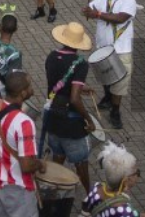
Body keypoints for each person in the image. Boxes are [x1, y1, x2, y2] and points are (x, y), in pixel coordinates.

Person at [42, 22, 94, 191]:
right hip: (70, 123)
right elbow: (74, 99)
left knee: (57, 158)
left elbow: (58, 82)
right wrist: (88, 118)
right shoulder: (80, 64)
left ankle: (51, 192)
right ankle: (90, 200)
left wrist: (80, 88)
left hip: (52, 117)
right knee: (81, 163)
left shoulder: (51, 56)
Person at [0, 71, 40, 217]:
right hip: (18, 189)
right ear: (22, 93)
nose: (32, 89)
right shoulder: (24, 122)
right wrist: (40, 165)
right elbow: (26, 165)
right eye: (29, 86)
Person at [84, 0, 135, 130]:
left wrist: (98, 14)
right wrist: (88, 10)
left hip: (121, 49)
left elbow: (120, 18)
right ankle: (107, 97)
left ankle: (115, 111)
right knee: (106, 75)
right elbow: (90, 8)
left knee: (120, 81)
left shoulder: (129, 1)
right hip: (103, 46)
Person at [81, 142, 145, 217]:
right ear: (125, 181)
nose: (138, 175)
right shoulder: (123, 210)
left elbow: (85, 210)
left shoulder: (96, 187)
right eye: (137, 172)